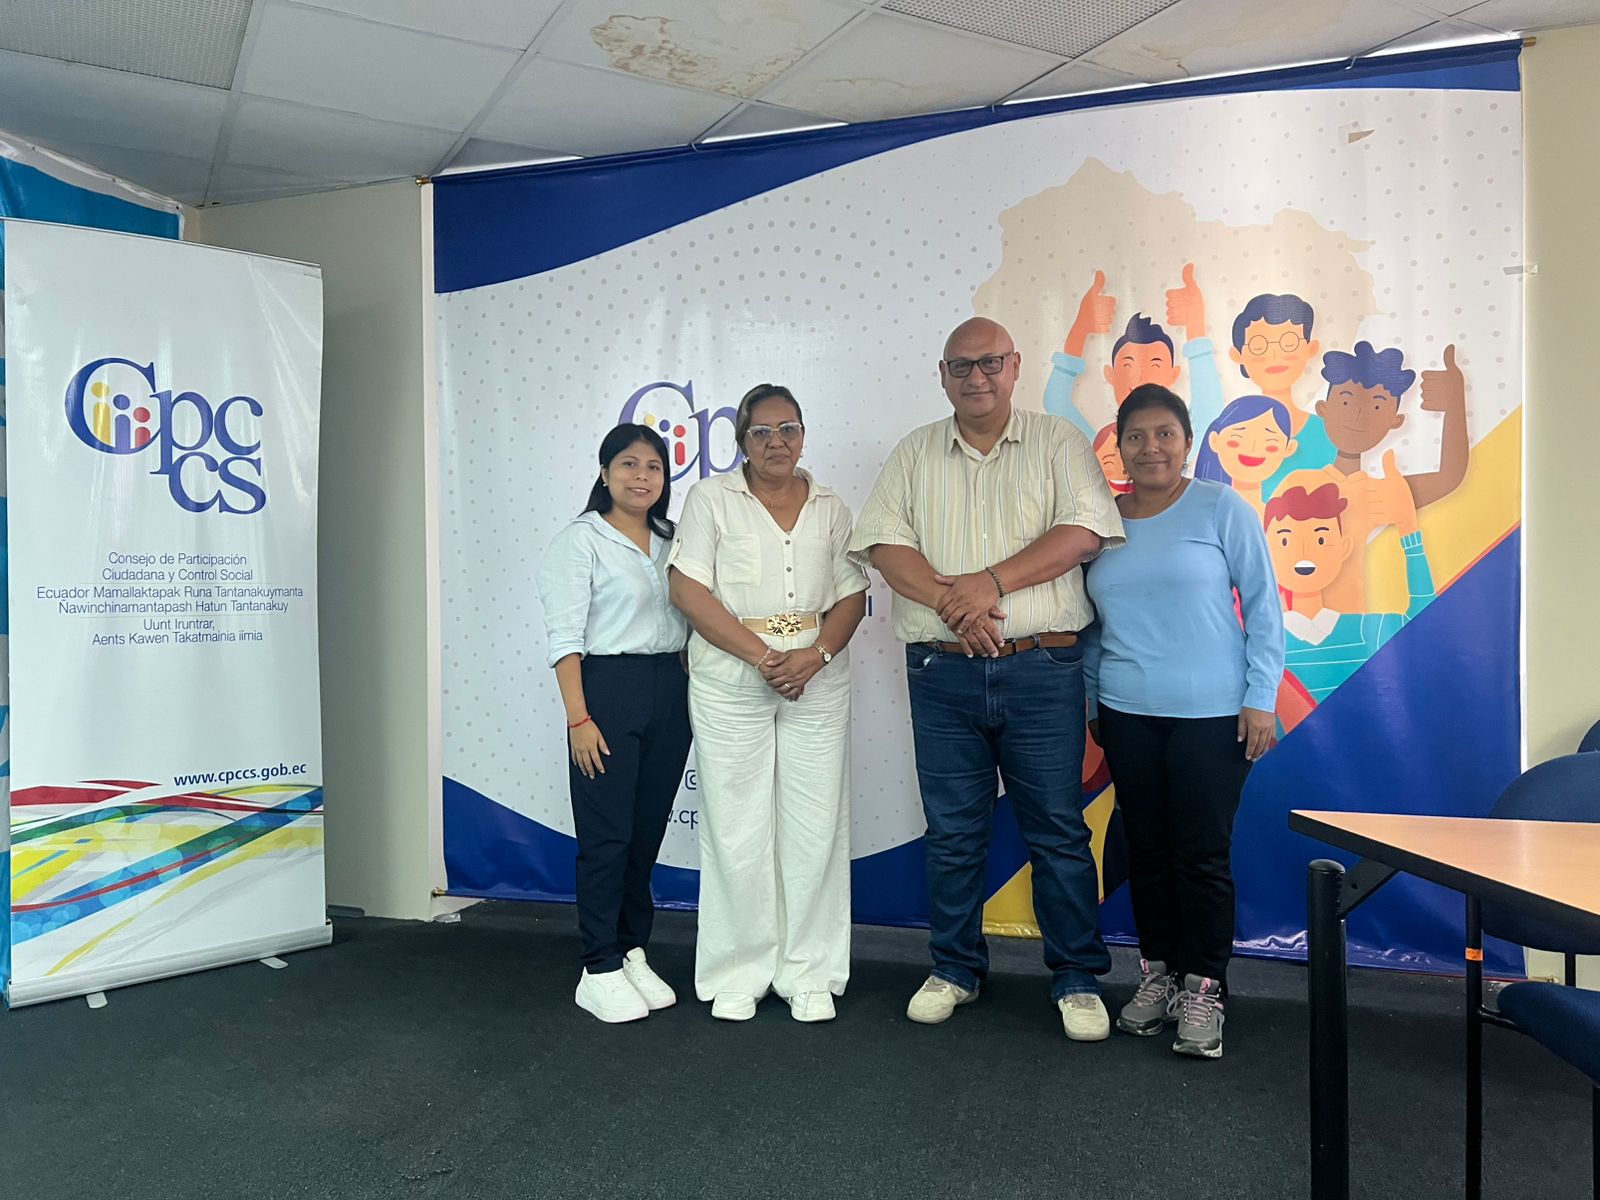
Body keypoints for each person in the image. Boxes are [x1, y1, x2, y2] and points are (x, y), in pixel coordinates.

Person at [851, 316, 1125, 1042]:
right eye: (962, 366)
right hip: (941, 673)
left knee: (1058, 830)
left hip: (1043, 668)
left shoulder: (1058, 442)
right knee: (952, 833)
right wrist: (957, 604)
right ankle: (955, 968)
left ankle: (1076, 977)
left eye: (991, 363)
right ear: (942, 375)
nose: (977, 377)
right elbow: (885, 546)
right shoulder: (914, 452)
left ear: (1015, 366)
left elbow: (1083, 533)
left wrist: (989, 583)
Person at [1081, 384, 1284, 1059]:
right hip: (1126, 712)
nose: (1151, 448)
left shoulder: (1221, 507)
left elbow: (1264, 604)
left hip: (1212, 715)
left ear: (1187, 442)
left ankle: (1204, 987)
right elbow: (1090, 626)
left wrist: (1261, 695)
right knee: (1146, 852)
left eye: (1164, 434)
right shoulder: (1101, 524)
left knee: (1200, 856)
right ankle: (1159, 973)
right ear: (1119, 447)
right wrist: (1092, 703)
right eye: (1136, 436)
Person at [667, 384, 868, 1024]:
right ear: (741, 441)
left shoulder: (832, 506)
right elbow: (687, 590)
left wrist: (818, 655)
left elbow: (853, 594)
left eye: (788, 429)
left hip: (817, 679)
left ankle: (810, 971)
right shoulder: (710, 499)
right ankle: (738, 970)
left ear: (803, 435)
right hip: (731, 680)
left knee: (815, 825)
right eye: (761, 432)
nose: (776, 442)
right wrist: (763, 657)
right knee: (736, 826)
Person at [536, 423, 692, 1024]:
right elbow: (565, 638)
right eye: (628, 464)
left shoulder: (673, 539)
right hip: (605, 691)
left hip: (670, 689)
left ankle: (631, 951)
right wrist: (579, 718)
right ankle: (597, 964)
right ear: (604, 473)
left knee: (645, 833)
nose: (641, 476)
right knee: (607, 837)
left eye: (653, 466)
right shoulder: (580, 541)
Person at [1277, 342, 1468, 612]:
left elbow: (1449, 477)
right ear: (1323, 408)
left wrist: (1454, 406)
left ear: (1395, 421)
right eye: (1345, 401)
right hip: (1295, 626)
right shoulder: (1297, 485)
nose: (1357, 415)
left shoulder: (1379, 492)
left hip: (1355, 626)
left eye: (1376, 407)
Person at [1265, 481, 1436, 702]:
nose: (1303, 552)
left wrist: (1409, 528)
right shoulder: (1263, 639)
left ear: (1344, 547)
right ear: (1264, 549)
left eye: (1321, 539)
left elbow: (1423, 624)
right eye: (1285, 540)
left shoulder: (1364, 630)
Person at [1043, 265, 1226, 463]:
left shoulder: (1182, 441)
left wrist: (1195, 327)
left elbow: (1209, 408)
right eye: (1127, 366)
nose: (1140, 378)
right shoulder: (1100, 445)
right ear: (1110, 374)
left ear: (1173, 374)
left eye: (1155, 365)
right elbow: (1056, 402)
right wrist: (1080, 329)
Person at [1226, 292, 1330, 497]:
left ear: (1311, 348)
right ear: (1238, 355)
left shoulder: (1326, 433)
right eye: (1258, 346)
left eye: (1289, 342)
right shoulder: (1230, 434)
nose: (1274, 355)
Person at [1192, 395, 1298, 517]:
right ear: (1214, 440)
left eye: (1270, 446)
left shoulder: (1279, 515)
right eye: (1234, 442)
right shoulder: (1202, 508)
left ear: (1289, 448)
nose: (1253, 449)